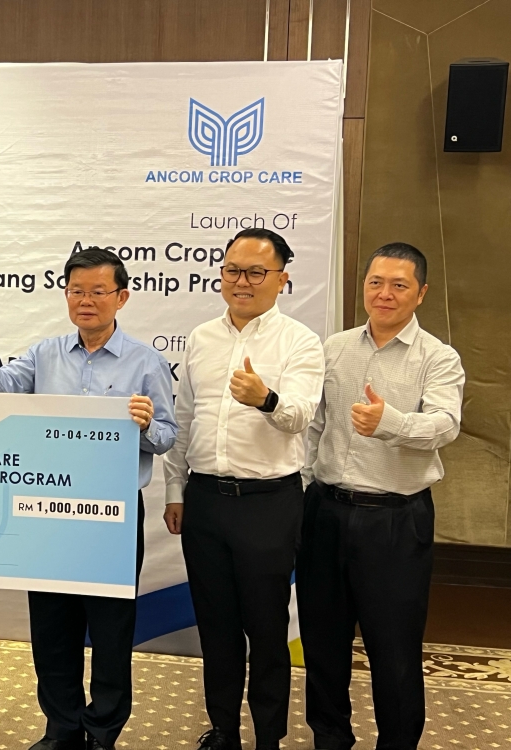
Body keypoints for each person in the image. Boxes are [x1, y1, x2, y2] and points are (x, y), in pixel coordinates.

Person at [0, 248, 177, 750]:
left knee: (110, 633)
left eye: (98, 291)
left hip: (113, 515)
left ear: (121, 297)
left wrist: (146, 426)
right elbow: (4, 392)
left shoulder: (146, 361)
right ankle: (61, 727)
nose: (86, 301)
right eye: (76, 290)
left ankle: (102, 730)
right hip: (48, 514)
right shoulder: (45, 354)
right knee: (52, 629)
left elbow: (168, 436)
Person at [162, 227, 324, 750]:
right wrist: (175, 490)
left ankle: (269, 738)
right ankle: (225, 731)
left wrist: (266, 398)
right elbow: (183, 420)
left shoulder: (300, 341)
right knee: (217, 627)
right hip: (206, 501)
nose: (242, 281)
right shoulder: (202, 338)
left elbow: (299, 417)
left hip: (269, 505)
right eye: (233, 269)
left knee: (267, 632)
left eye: (256, 272)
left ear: (282, 280)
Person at [298, 243, 464, 750]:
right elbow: (315, 427)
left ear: (420, 294)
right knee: (323, 644)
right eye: (375, 282)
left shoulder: (439, 357)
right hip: (326, 511)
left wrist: (388, 422)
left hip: (395, 520)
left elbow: (446, 424)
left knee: (393, 649)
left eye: (399, 285)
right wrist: (305, 487)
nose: (384, 293)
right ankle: (329, 738)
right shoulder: (335, 347)